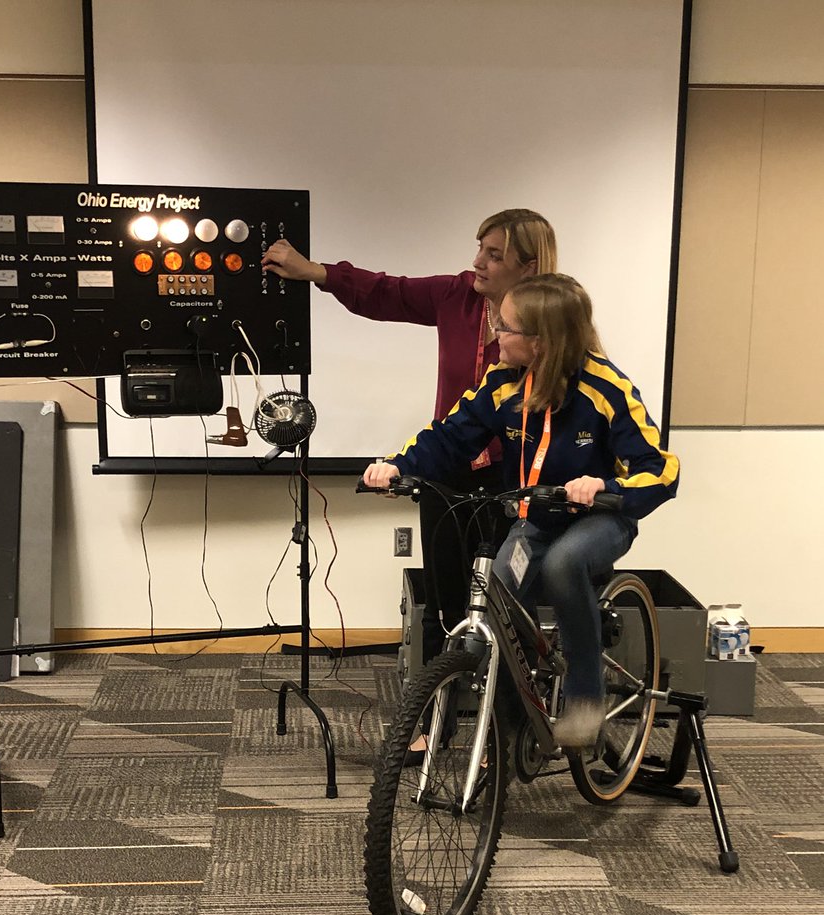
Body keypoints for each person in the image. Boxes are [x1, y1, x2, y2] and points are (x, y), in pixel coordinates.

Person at [362, 274, 680, 747]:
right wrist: (396, 465)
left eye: (505, 326)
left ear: (541, 340)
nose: (494, 334)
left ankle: (584, 698)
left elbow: (662, 468)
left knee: (563, 564)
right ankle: (514, 725)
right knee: (497, 597)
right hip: (535, 518)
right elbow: (450, 436)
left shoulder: (605, 387)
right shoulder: (504, 382)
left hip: (601, 518)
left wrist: (606, 485)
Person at [261, 210, 558, 689]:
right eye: (479, 247)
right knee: (444, 593)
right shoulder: (456, 295)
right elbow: (387, 292)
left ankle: (510, 714)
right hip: (449, 466)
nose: (477, 261)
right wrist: (316, 271)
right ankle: (432, 709)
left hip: (518, 474)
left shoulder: (553, 317)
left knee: (507, 596)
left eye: (494, 254)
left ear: (528, 266)